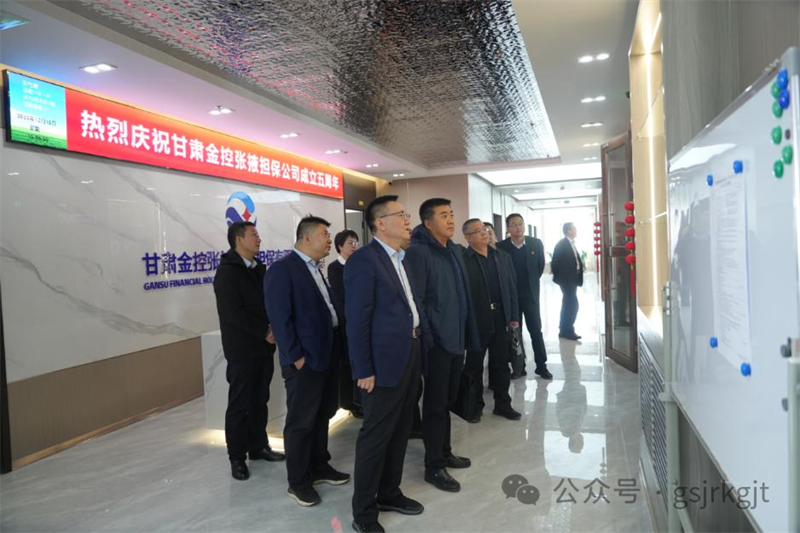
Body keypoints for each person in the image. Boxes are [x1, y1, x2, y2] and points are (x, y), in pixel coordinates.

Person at [346, 195, 426, 533]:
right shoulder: (364, 261)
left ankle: (389, 492)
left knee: (401, 429)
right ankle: (364, 513)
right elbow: (357, 321)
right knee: (376, 436)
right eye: (401, 214)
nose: (408, 220)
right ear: (380, 223)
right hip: (380, 364)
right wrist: (363, 369)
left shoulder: (400, 258)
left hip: (409, 353)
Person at [264, 216, 350, 507]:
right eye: (325, 234)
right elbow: (280, 318)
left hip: (327, 353)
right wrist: (296, 357)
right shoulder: (283, 269)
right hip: (305, 360)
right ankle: (298, 481)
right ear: (307, 237)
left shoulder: (316, 268)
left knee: (322, 414)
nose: (329, 240)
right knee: (301, 422)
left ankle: (319, 466)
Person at [404, 198, 479, 493]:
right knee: (435, 406)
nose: (450, 220)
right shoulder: (418, 253)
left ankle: (445, 452)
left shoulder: (453, 250)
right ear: (427, 222)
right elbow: (418, 301)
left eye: (451, 214)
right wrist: (431, 337)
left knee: (447, 401)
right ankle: (433, 466)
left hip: (456, 339)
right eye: (443, 215)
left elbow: (462, 297)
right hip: (436, 343)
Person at [213, 221, 285, 481]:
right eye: (253, 235)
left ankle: (258, 446)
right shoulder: (227, 273)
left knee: (259, 400)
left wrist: (273, 328)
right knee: (240, 404)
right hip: (242, 349)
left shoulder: (258, 268)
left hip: (263, 347)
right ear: (238, 239)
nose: (258, 239)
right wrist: (264, 331)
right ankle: (237, 457)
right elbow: (232, 313)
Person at [461, 219, 522, 422]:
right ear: (468, 237)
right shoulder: (463, 260)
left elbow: (512, 288)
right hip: (476, 321)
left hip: (500, 317)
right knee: (474, 366)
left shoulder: (502, 257)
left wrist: (513, 316)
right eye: (478, 231)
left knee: (501, 364)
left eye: (485, 229)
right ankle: (474, 406)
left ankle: (503, 404)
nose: (485, 233)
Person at [497, 213, 552, 380]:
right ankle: (518, 367)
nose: (518, 227)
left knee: (536, 331)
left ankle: (541, 366)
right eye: (514, 224)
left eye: (520, 223)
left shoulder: (535, 243)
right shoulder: (501, 247)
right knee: (515, 333)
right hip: (511, 298)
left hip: (530, 296)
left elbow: (539, 267)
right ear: (508, 228)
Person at [328, 229, 363, 418]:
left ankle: (360, 399)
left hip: (360, 319)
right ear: (340, 246)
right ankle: (350, 403)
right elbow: (342, 296)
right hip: (346, 321)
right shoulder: (335, 268)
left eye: (356, 242)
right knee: (348, 362)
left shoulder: (360, 264)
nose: (354, 246)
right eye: (350, 243)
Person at [551, 222, 585, 341]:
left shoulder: (571, 243)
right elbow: (555, 262)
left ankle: (563, 330)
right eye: (574, 228)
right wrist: (559, 278)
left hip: (572, 279)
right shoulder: (562, 244)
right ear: (568, 231)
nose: (576, 230)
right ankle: (569, 331)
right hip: (566, 280)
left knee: (567, 304)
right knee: (572, 305)